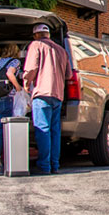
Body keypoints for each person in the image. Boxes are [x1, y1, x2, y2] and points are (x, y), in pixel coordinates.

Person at [24, 23, 72, 174]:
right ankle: (54, 165)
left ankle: (44, 166)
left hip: (42, 93)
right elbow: (69, 75)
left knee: (42, 129)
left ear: (36, 35)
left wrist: (26, 82)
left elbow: (31, 69)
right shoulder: (62, 50)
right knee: (54, 131)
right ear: (49, 35)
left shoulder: (36, 45)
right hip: (57, 95)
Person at [0, 43, 24, 175]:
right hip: (6, 98)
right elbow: (10, 73)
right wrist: (19, 88)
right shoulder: (14, 62)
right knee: (5, 131)